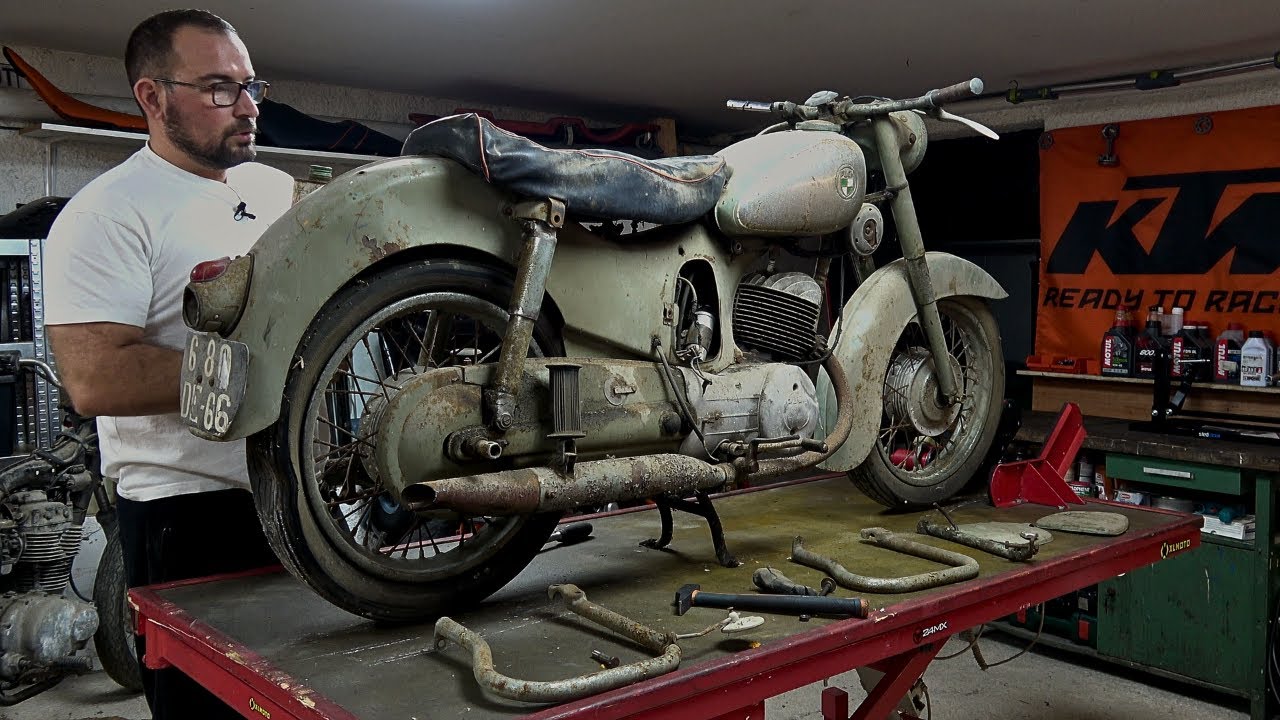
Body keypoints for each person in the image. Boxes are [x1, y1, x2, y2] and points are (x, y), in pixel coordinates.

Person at [43, 10, 293, 719]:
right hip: (187, 518)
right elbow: (96, 379)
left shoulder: (274, 191)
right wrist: (272, 376)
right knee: (209, 708)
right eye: (219, 88)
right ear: (151, 97)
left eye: (250, 86)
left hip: (295, 499)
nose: (247, 108)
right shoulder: (109, 214)